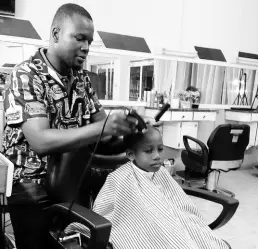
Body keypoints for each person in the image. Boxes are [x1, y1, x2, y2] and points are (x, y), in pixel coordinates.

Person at [3, 3, 139, 249]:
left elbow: (104, 134)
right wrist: (104, 128)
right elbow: (40, 141)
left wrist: (129, 129)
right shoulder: (26, 75)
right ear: (56, 34)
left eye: (89, 41)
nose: (86, 48)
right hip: (31, 182)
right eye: (79, 38)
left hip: (73, 176)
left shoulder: (82, 80)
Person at [66, 124, 231, 249]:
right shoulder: (118, 178)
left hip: (173, 223)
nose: (157, 156)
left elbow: (177, 205)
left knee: (201, 237)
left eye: (160, 149)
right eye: (149, 151)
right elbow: (105, 212)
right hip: (146, 229)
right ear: (131, 155)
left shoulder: (161, 172)